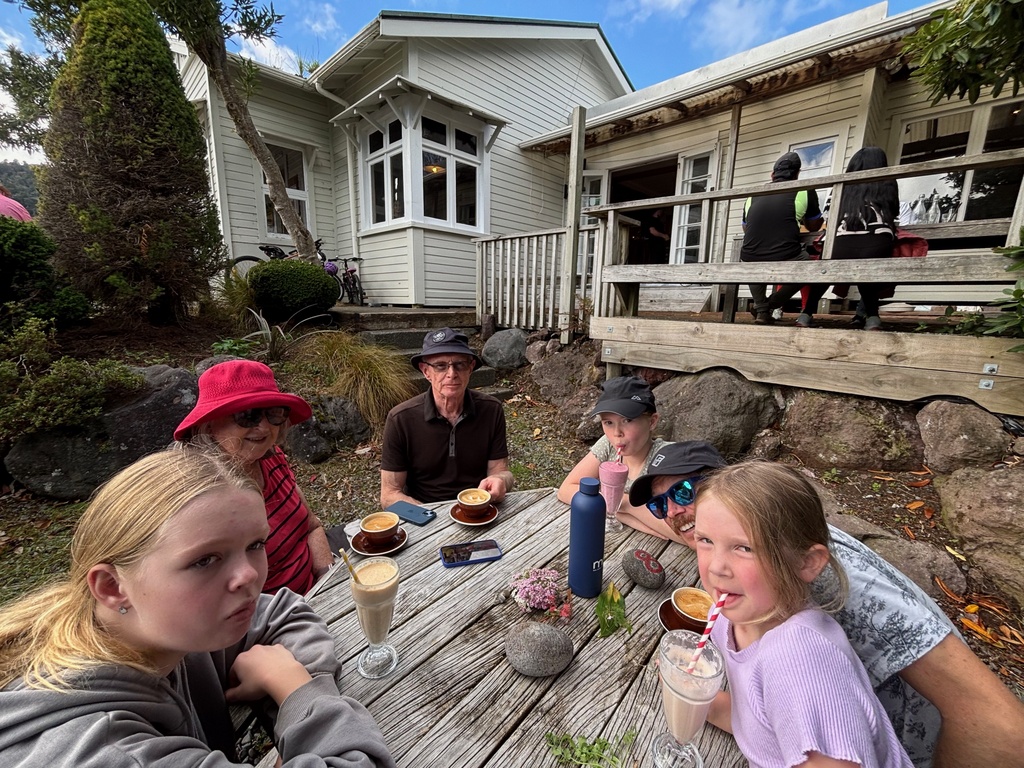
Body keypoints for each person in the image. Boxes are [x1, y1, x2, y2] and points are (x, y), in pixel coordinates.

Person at [629, 441, 1024, 768]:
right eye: (662, 506)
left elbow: (1001, 725)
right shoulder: (747, 587)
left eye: (684, 493)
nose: (674, 512)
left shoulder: (809, 622)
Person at [0, 448, 396, 767]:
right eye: (204, 560)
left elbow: (283, 612)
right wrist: (297, 691)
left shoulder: (162, 628)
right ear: (112, 587)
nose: (248, 576)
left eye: (255, 545)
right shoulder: (101, 751)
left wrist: (293, 678)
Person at [696, 460, 913, 767]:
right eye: (706, 540)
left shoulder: (798, 655)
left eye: (744, 548)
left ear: (808, 563)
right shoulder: (727, 619)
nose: (716, 567)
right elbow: (763, 728)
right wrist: (696, 698)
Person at [174, 359, 333, 595]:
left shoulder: (272, 458)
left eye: (274, 414)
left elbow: (311, 526)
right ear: (208, 425)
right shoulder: (202, 498)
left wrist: (328, 578)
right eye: (248, 415)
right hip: (273, 614)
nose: (264, 427)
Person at [380, 327, 513, 506]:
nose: (452, 374)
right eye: (440, 366)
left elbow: (501, 471)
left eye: (460, 364)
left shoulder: (491, 410)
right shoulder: (400, 419)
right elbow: (389, 495)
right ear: (426, 371)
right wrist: (428, 516)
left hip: (478, 506)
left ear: (470, 368)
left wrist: (501, 480)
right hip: (424, 509)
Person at [799, 147, 900, 331]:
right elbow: (894, 212)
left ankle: (806, 314)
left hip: (840, 243)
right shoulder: (888, 182)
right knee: (867, 266)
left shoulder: (842, 185)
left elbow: (830, 216)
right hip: (878, 242)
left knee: (827, 266)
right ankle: (872, 318)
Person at [557, 376, 669, 536]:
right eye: (608, 422)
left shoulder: (665, 458)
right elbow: (566, 490)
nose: (617, 433)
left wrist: (621, 503)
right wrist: (622, 515)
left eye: (627, 420)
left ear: (652, 422)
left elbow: (679, 529)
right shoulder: (609, 445)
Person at [740, 152, 824, 324]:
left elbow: (745, 227)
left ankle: (762, 310)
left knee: (753, 259)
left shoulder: (753, 194)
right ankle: (769, 305)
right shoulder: (805, 189)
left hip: (750, 254)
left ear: (772, 174)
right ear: (797, 174)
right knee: (808, 267)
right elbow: (813, 226)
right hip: (785, 253)